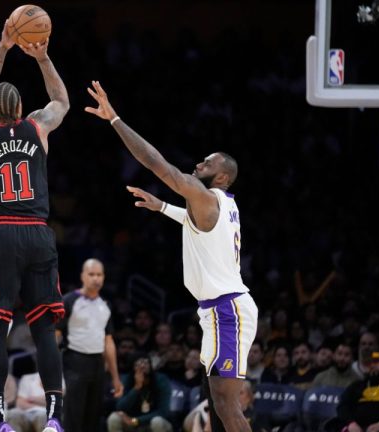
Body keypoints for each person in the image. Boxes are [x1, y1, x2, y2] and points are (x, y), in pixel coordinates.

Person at [85, 81, 259, 432]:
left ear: (222, 175)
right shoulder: (220, 206)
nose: (199, 163)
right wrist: (163, 206)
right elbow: (197, 225)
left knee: (228, 402)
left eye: (207, 162)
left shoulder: (205, 196)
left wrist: (115, 119)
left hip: (227, 310)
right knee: (218, 402)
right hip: (215, 309)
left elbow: (156, 163)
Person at [0, 18, 69, 432]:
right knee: (44, 328)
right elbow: (61, 100)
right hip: (39, 234)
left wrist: (3, 47)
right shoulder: (37, 127)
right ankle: (55, 419)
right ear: (23, 109)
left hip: (1, 233)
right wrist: (43, 58)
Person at [57, 258, 124, 432]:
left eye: (99, 274)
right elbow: (54, 336)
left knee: (93, 416)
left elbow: (108, 342)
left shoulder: (106, 305)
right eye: (91, 274)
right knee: (73, 415)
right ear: (82, 276)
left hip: (97, 364)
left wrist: (116, 378)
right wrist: (51, 371)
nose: (96, 278)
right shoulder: (69, 301)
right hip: (73, 361)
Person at [107, 353, 173, 432]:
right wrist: (136, 387)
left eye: (146, 362)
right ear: (132, 368)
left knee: (157, 421)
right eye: (138, 364)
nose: (143, 366)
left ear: (150, 366)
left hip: (151, 423)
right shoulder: (126, 380)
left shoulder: (161, 380)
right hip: (131, 423)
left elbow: (163, 411)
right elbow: (120, 407)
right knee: (114, 418)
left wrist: (136, 421)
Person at [335, 349, 379, 432]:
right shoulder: (356, 385)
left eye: (376, 362)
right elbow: (342, 406)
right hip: (356, 427)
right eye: (368, 363)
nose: (372, 365)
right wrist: (351, 423)